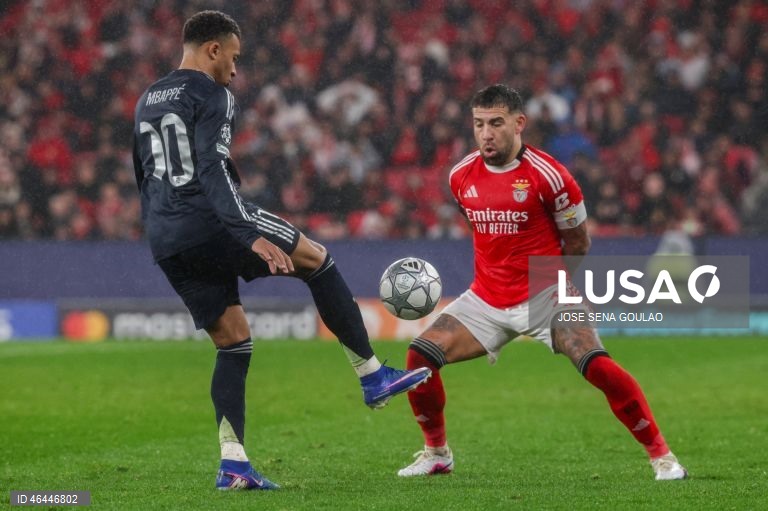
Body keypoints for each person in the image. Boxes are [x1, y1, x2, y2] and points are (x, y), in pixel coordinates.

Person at [132, 10, 430, 491]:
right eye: (233, 57)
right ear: (213, 49)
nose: (235, 69)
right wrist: (246, 233)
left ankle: (233, 464)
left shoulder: (147, 98)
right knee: (318, 260)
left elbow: (143, 174)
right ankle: (372, 374)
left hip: (165, 235)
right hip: (213, 219)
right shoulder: (213, 93)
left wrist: (162, 229)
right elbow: (211, 167)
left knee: (233, 343)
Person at [397, 84, 687, 481]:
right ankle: (437, 454)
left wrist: (557, 288)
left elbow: (578, 242)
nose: (486, 134)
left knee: (596, 363)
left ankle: (662, 456)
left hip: (546, 293)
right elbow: (480, 228)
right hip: (486, 298)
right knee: (419, 358)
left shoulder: (551, 176)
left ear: (519, 123)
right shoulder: (460, 175)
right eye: (479, 124)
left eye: (496, 123)